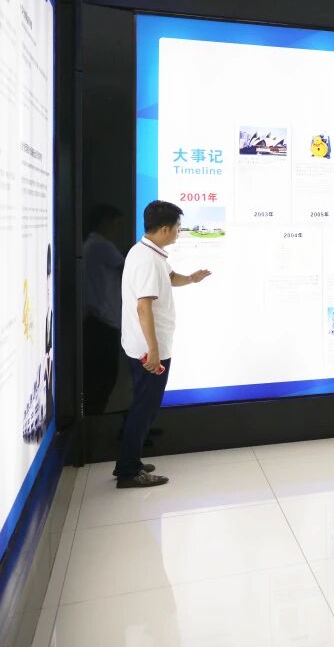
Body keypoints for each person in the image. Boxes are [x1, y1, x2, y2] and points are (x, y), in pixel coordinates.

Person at [115, 200, 210, 488]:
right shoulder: (146, 260)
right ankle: (129, 471)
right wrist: (153, 351)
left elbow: (169, 278)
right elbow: (143, 307)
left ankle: (129, 461)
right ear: (165, 229)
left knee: (144, 406)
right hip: (149, 350)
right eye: (178, 227)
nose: (180, 232)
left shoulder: (149, 252)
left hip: (145, 346)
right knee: (145, 408)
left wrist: (191, 279)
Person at [83, 204, 126, 416]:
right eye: (115, 224)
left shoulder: (91, 244)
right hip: (103, 322)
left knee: (100, 378)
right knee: (104, 378)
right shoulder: (102, 245)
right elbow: (128, 271)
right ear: (104, 222)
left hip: (97, 320)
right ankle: (94, 425)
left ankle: (94, 423)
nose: (117, 230)